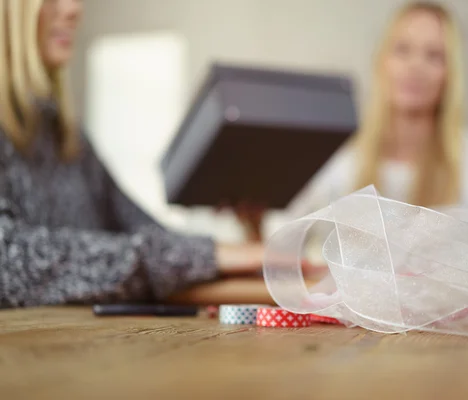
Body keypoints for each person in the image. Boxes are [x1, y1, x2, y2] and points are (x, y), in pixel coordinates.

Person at [0, 0, 273, 308]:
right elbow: (9, 262)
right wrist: (209, 255)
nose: (74, 8)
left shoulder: (68, 137)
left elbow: (147, 236)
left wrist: (247, 240)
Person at [287, 1, 468, 225]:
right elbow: (283, 233)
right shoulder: (340, 161)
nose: (415, 66)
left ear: (451, 75)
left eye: (434, 56)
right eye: (402, 50)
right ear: (382, 61)